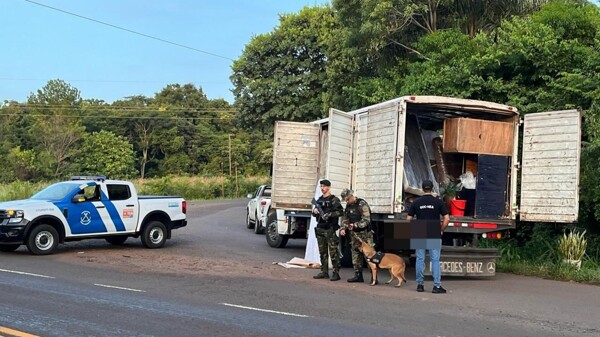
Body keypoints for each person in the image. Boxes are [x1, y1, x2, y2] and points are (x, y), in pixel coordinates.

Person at [406, 180, 450, 294]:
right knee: (435, 259)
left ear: (422, 188)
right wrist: (441, 229)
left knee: (420, 259)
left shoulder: (416, 202)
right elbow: (447, 218)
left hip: (419, 230)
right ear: (432, 188)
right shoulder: (438, 202)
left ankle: (420, 285)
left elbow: (408, 219)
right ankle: (436, 286)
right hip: (433, 231)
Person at [312, 179, 344, 281]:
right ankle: (324, 271)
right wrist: (315, 211)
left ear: (329, 187)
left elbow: (340, 212)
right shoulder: (320, 199)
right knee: (323, 252)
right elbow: (313, 213)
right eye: (321, 186)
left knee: (333, 252)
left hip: (330, 229)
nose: (322, 188)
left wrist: (329, 214)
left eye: (324, 186)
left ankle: (336, 272)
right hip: (320, 228)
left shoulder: (334, 199)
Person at [339, 188, 373, 283]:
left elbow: (366, 220)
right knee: (355, 255)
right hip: (354, 234)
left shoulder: (362, 204)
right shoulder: (348, 206)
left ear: (351, 196)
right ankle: (358, 275)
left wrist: (355, 225)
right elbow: (345, 218)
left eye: (347, 199)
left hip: (365, 234)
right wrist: (343, 228)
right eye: (346, 200)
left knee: (369, 255)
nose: (347, 201)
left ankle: (374, 277)